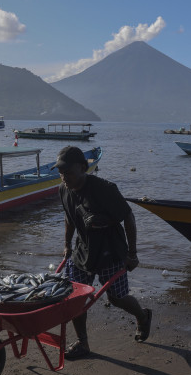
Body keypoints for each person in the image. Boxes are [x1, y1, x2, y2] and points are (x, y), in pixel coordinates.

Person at [54, 146, 152, 360]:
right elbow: (69, 218)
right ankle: (83, 343)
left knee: (117, 298)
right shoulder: (63, 189)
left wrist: (132, 254)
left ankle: (143, 316)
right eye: (60, 172)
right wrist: (67, 244)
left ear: (83, 167)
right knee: (75, 299)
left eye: (68, 171)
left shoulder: (105, 189)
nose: (63, 177)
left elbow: (129, 218)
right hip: (82, 251)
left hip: (110, 252)